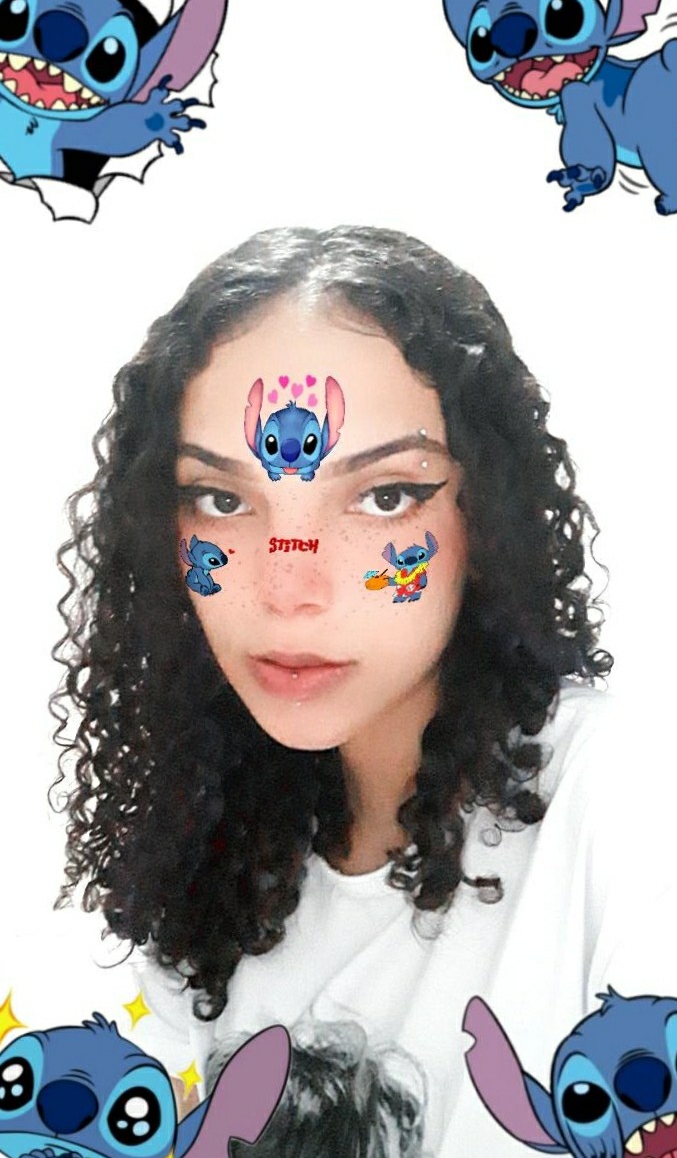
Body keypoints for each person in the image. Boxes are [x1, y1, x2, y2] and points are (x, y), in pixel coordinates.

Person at [51, 227, 675, 1156]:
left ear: (484, 513)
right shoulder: (210, 873)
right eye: (222, 500)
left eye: (382, 496)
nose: (288, 588)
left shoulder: (630, 801)